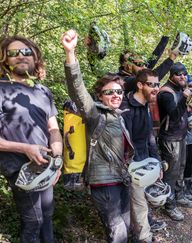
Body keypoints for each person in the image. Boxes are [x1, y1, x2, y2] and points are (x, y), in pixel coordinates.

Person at [62, 29, 134, 242]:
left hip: (122, 178)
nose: (116, 95)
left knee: (125, 226)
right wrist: (70, 53)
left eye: (119, 92)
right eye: (109, 92)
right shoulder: (95, 114)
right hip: (103, 182)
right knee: (117, 228)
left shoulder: (119, 116)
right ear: (100, 96)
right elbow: (77, 88)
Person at [0, 35, 62, 243]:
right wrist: (26, 148)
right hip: (20, 169)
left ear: (35, 57)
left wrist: (58, 161)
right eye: (13, 53)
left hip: (45, 166)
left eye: (26, 51)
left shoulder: (43, 91)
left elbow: (53, 128)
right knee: (33, 221)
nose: (20, 56)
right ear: (4, 59)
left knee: (47, 216)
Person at [120, 68, 166, 240]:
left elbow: (150, 138)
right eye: (151, 84)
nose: (156, 88)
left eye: (157, 84)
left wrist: (157, 163)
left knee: (142, 203)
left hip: (145, 161)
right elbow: (125, 145)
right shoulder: (126, 109)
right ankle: (144, 237)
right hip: (133, 166)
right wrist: (133, 167)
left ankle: (141, 232)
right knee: (139, 204)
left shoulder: (146, 104)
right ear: (140, 85)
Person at [157, 62, 192, 221]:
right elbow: (173, 115)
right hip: (170, 138)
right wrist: (184, 100)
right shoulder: (166, 92)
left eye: (184, 74)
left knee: (181, 168)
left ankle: (179, 195)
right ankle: (169, 205)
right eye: (179, 74)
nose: (182, 77)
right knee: (171, 173)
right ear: (171, 75)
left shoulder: (180, 90)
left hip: (181, 135)